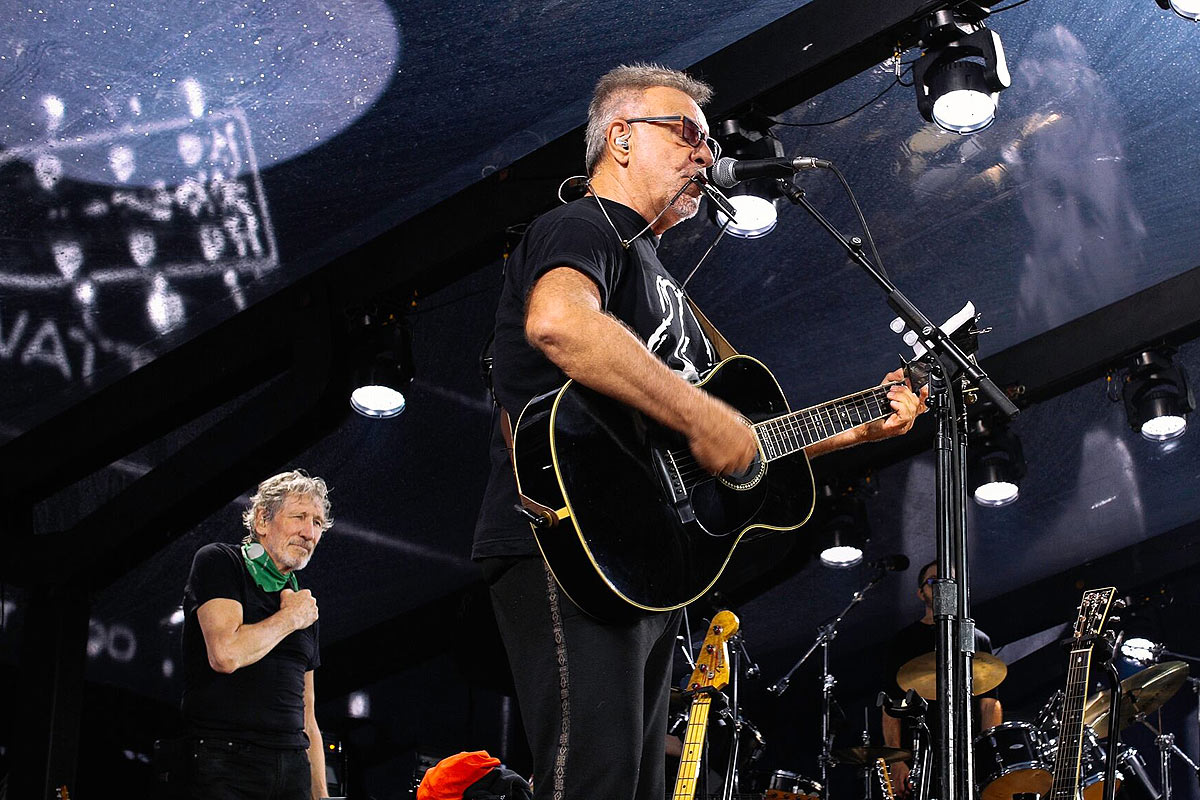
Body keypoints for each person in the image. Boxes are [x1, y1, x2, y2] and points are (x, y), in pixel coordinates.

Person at [473, 62, 927, 800]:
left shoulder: (659, 279)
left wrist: (855, 433)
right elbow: (558, 323)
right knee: (593, 781)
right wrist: (700, 412)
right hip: (564, 538)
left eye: (709, 143)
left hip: (646, 561)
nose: (705, 155)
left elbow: (733, 442)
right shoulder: (583, 225)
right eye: (686, 132)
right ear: (619, 139)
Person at [180, 470, 332, 800]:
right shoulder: (220, 561)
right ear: (263, 520)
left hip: (292, 768)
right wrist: (290, 618)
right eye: (299, 517)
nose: (309, 533)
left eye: (318, 523)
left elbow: (308, 713)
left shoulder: (304, 605)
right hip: (225, 761)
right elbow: (225, 654)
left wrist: (321, 795)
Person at [882, 559, 1003, 798]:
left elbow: (989, 703)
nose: (942, 587)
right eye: (933, 581)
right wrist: (896, 761)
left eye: (949, 581)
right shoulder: (904, 641)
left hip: (969, 757)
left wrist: (991, 753)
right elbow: (891, 708)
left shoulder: (977, 639)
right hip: (920, 757)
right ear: (920, 592)